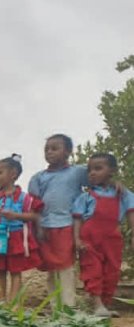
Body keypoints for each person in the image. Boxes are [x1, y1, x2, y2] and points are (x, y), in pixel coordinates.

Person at [27, 134, 86, 308]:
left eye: (55, 148)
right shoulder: (38, 177)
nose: (49, 152)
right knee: (51, 268)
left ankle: (68, 307)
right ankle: (55, 306)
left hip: (67, 225)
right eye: (47, 149)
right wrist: (38, 226)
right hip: (45, 227)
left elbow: (98, 180)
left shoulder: (78, 172)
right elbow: (34, 205)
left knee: (66, 266)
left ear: (68, 151)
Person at [72, 153, 134, 317]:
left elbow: (131, 214)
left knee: (112, 270)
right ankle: (98, 304)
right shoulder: (85, 196)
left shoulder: (123, 194)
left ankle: (103, 305)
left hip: (113, 239)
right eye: (90, 170)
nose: (92, 173)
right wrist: (77, 239)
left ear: (112, 171)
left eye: (98, 168)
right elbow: (77, 219)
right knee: (93, 270)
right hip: (90, 239)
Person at [0, 155, 43, 302]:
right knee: (0, 270)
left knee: (15, 271)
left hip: (16, 237)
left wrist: (15, 215)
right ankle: (1, 301)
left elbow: (35, 216)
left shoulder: (25, 198)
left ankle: (14, 303)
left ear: (13, 174)